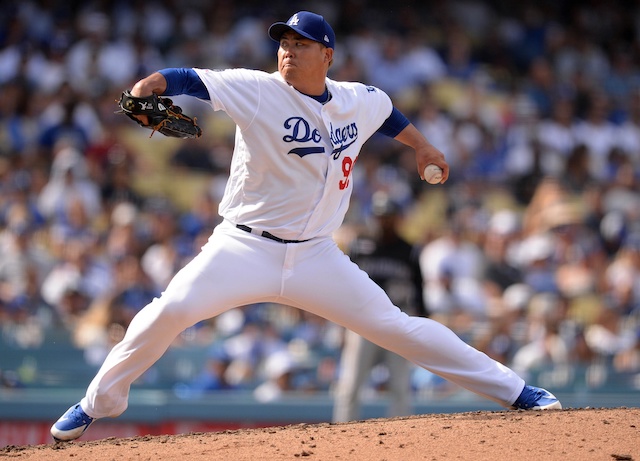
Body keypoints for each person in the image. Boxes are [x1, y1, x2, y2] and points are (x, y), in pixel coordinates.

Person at [51, 11, 561, 443]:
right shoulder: (257, 90)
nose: (289, 51)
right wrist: (148, 87)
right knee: (170, 311)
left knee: (396, 327)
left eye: (301, 44)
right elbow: (187, 78)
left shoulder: (356, 99)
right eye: (285, 44)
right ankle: (96, 405)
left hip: (317, 255)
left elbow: (386, 115)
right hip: (243, 247)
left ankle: (518, 392)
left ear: (327, 56)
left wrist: (422, 146)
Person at [332, 191, 427, 422]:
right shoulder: (360, 245)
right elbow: (346, 287)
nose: (384, 221)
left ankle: (401, 439)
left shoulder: (409, 250)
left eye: (389, 216)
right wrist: (341, 326)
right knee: (350, 385)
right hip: (363, 323)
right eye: (380, 216)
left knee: (400, 386)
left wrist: (421, 324)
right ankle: (341, 436)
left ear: (397, 218)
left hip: (397, 322)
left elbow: (419, 293)